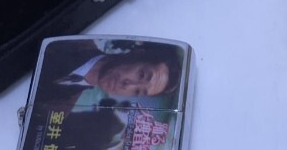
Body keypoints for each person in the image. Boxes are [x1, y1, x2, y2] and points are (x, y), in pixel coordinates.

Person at [38, 40, 182, 106]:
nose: (128, 85)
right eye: (141, 75)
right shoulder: (73, 40)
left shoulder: (62, 106)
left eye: (137, 91)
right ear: (136, 54)